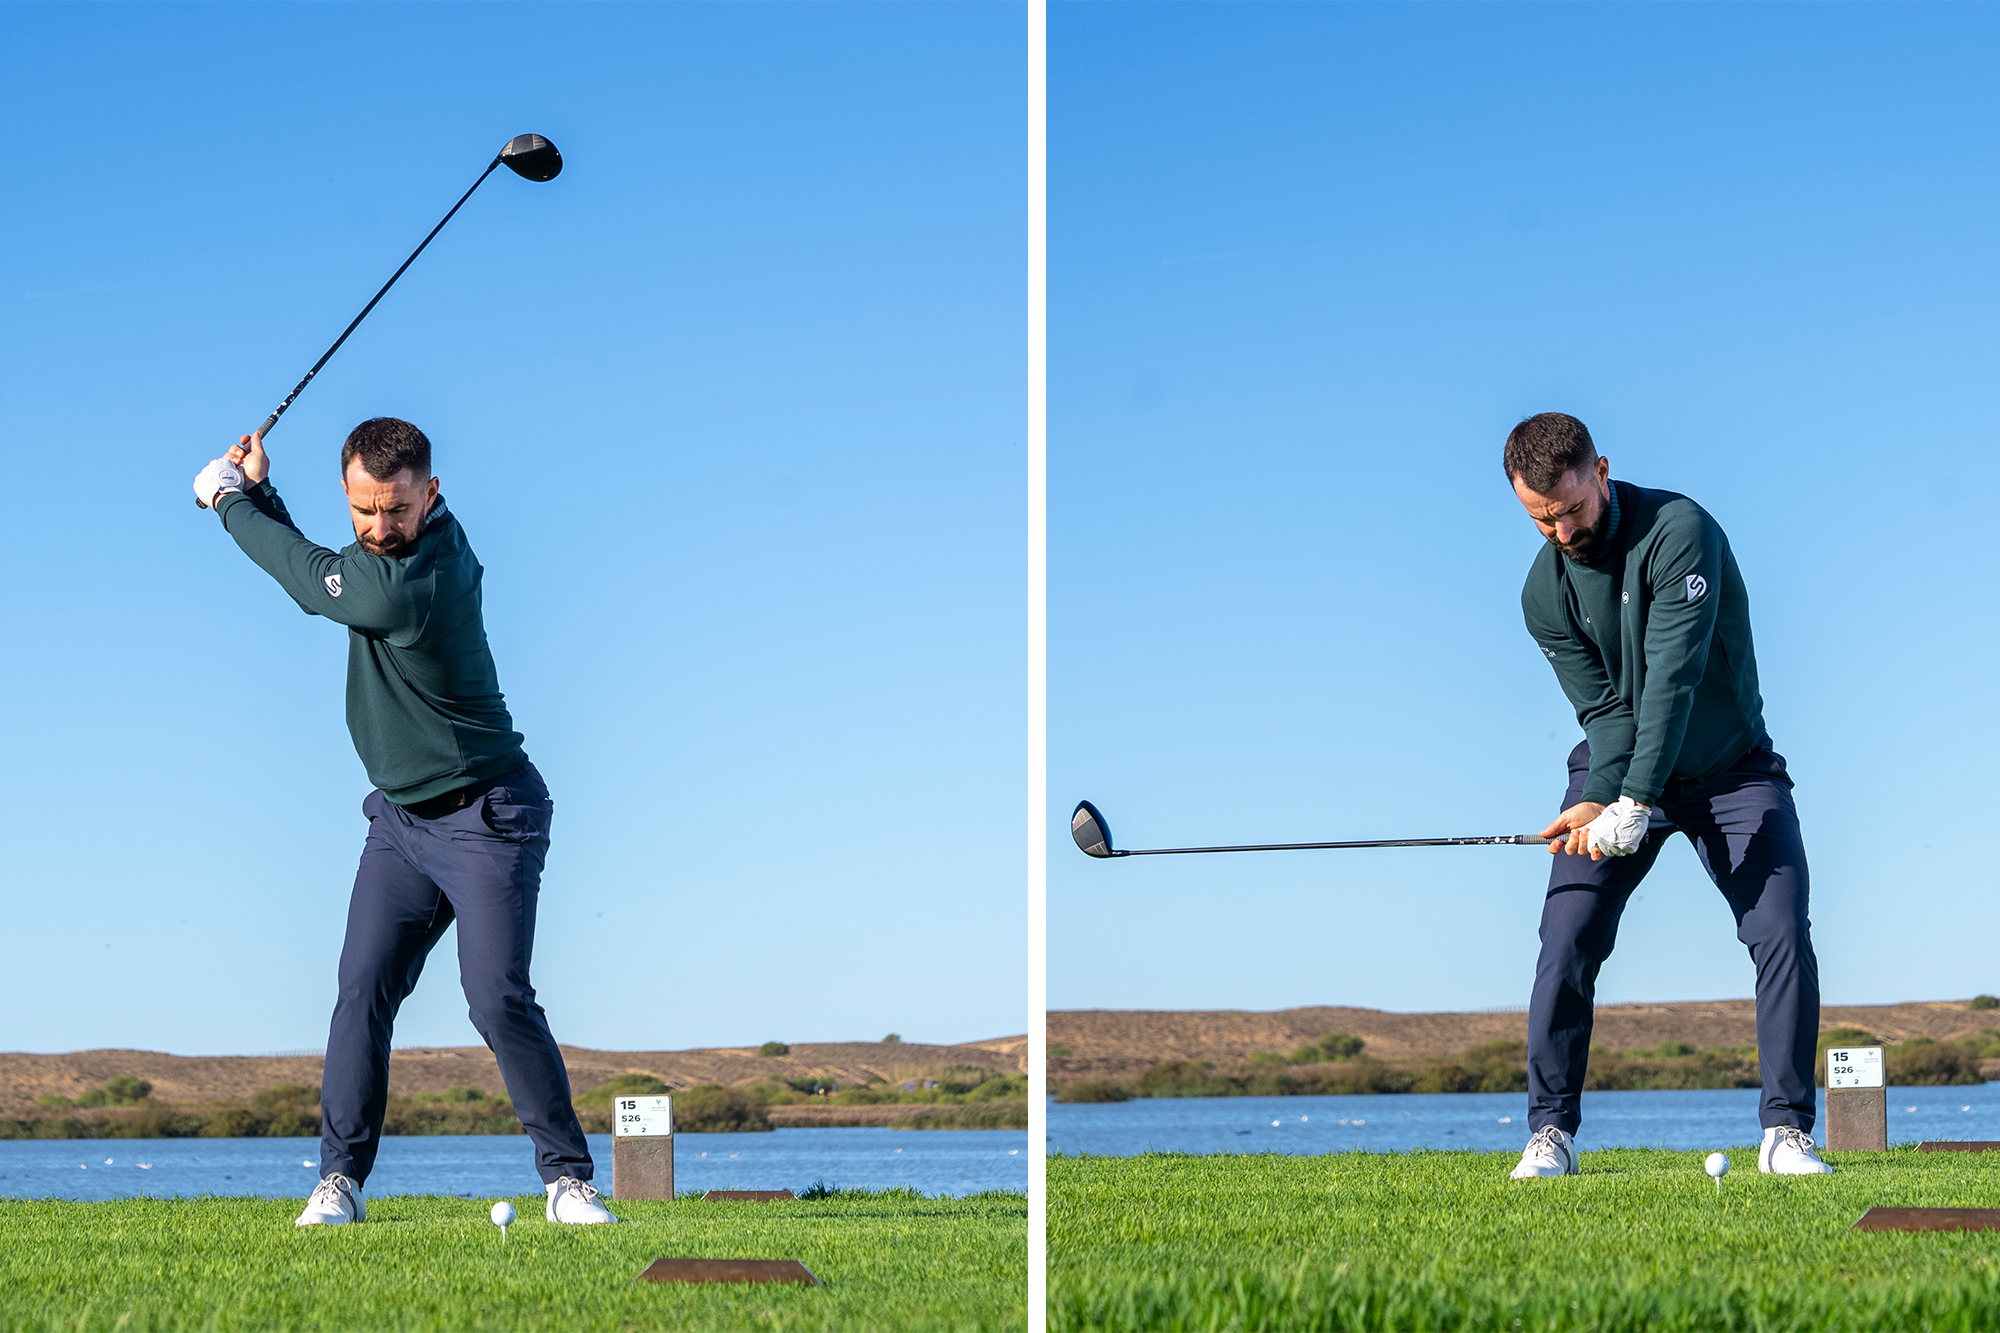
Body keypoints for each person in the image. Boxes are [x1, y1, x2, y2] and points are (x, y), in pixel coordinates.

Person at [191, 419, 616, 1226]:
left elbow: (313, 581)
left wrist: (228, 502)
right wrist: (261, 492)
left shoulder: (420, 581)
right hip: (400, 824)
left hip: (489, 814)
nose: (379, 528)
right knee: (362, 990)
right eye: (363, 511)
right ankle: (339, 1181)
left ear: (432, 491)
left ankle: (567, 1180)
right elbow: (325, 568)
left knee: (495, 998)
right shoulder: (381, 558)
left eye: (395, 509)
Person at [1500, 412, 1831, 1180]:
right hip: (1619, 769)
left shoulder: (1681, 531)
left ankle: (1787, 1132)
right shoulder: (1542, 594)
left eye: (1570, 509)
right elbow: (1609, 712)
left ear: (1601, 470)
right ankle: (1550, 1132)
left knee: (1780, 929)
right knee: (1567, 934)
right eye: (1539, 517)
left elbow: (1671, 679)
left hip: (1731, 768)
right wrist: (1601, 801)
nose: (1559, 530)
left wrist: (1635, 802)